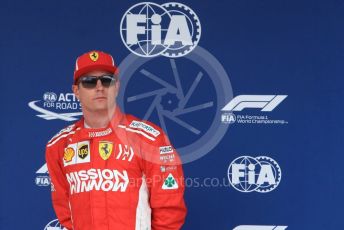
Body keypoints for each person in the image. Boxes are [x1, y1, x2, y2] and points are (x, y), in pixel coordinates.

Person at [45, 50, 187, 230]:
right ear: (76, 91)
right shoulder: (59, 145)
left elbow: (170, 207)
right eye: (89, 82)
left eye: (106, 80)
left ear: (117, 87)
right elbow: (64, 209)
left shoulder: (149, 138)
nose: (99, 87)